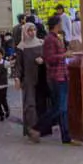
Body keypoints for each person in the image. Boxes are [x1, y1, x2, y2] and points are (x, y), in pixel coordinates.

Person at [32, 15, 71, 144]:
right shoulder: (50, 39)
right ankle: (37, 127)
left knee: (63, 108)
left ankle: (66, 136)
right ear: (56, 25)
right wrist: (63, 55)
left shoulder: (57, 38)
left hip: (63, 74)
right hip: (56, 76)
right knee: (59, 107)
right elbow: (49, 58)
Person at [13, 20, 44, 141]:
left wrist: (43, 59)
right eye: (29, 30)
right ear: (25, 32)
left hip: (40, 77)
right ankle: (31, 129)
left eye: (34, 30)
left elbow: (47, 57)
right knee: (30, 104)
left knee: (40, 103)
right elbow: (18, 64)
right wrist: (17, 78)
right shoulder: (21, 47)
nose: (32, 33)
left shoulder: (41, 43)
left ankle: (41, 128)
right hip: (28, 78)